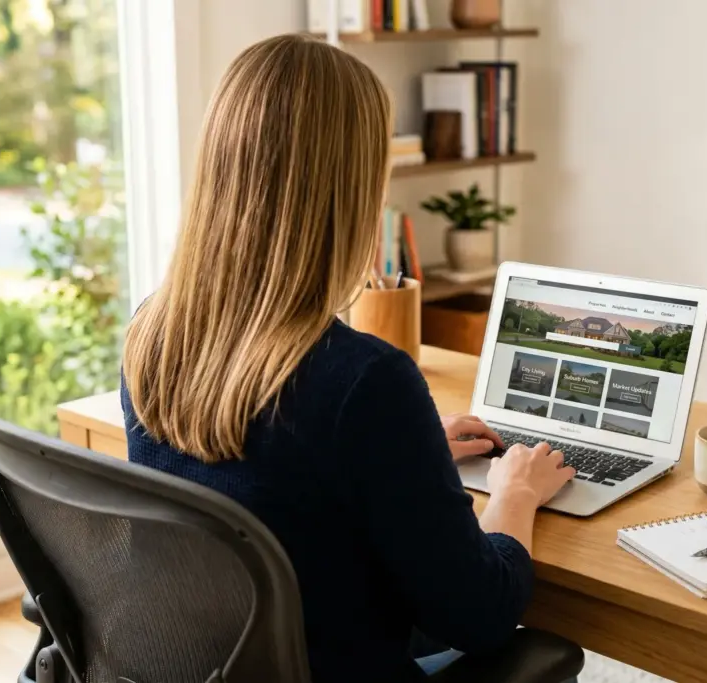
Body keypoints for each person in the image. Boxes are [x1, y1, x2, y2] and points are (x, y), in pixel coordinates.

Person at [121, 34, 576, 683]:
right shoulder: (365, 381)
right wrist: (514, 495)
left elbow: (276, 482)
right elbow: (479, 614)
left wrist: (413, 456)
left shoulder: (154, 335)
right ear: (354, 190)